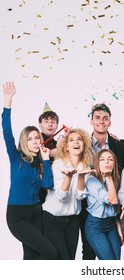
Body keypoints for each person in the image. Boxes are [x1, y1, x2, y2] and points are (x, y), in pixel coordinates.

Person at [2, 81, 57, 259]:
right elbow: (6, 130)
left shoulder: (41, 162)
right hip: (17, 215)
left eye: (37, 138)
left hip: (36, 213)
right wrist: (8, 102)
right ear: (24, 142)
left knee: (32, 257)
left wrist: (47, 159)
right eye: (31, 139)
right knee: (50, 252)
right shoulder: (16, 157)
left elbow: (48, 184)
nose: (35, 141)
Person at [79, 102, 124, 260]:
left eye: (105, 118)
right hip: (88, 209)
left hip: (112, 210)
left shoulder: (120, 147)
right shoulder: (83, 145)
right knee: (88, 252)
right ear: (91, 121)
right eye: (97, 117)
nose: (101, 121)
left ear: (110, 122)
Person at [42, 128, 94, 259]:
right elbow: (61, 197)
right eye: (71, 140)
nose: (76, 142)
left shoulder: (86, 167)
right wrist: (69, 177)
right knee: (62, 259)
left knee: (70, 258)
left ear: (84, 145)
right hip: (53, 219)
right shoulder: (59, 165)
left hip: (72, 220)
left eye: (79, 139)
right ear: (66, 147)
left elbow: (80, 196)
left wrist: (81, 177)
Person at [85, 149, 122, 260]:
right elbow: (112, 200)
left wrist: (119, 229)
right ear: (97, 163)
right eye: (102, 159)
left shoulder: (117, 180)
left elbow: (115, 209)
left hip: (111, 225)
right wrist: (108, 177)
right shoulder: (91, 180)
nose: (106, 162)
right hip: (95, 226)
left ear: (114, 164)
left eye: (110, 159)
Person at [38, 102, 61, 204]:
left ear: (57, 126)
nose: (50, 124)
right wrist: (51, 153)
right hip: (39, 188)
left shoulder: (58, 144)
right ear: (40, 125)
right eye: (46, 121)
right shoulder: (35, 141)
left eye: (53, 121)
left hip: (56, 187)